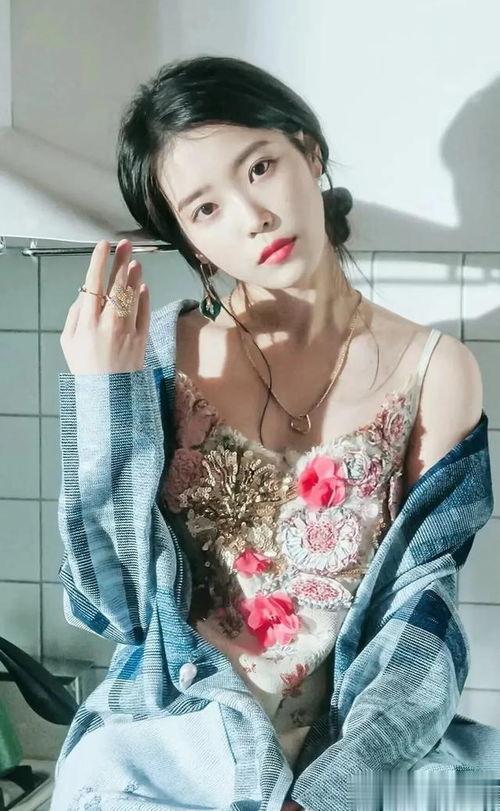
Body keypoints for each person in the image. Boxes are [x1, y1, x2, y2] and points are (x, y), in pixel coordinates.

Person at [51, 56, 497, 811]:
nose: (252, 216)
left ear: (309, 152)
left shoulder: (437, 371)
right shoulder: (156, 359)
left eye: (259, 167)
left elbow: (417, 620)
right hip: (174, 747)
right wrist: (102, 396)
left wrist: (328, 791)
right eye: (205, 209)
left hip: (352, 743)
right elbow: (113, 606)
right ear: (190, 242)